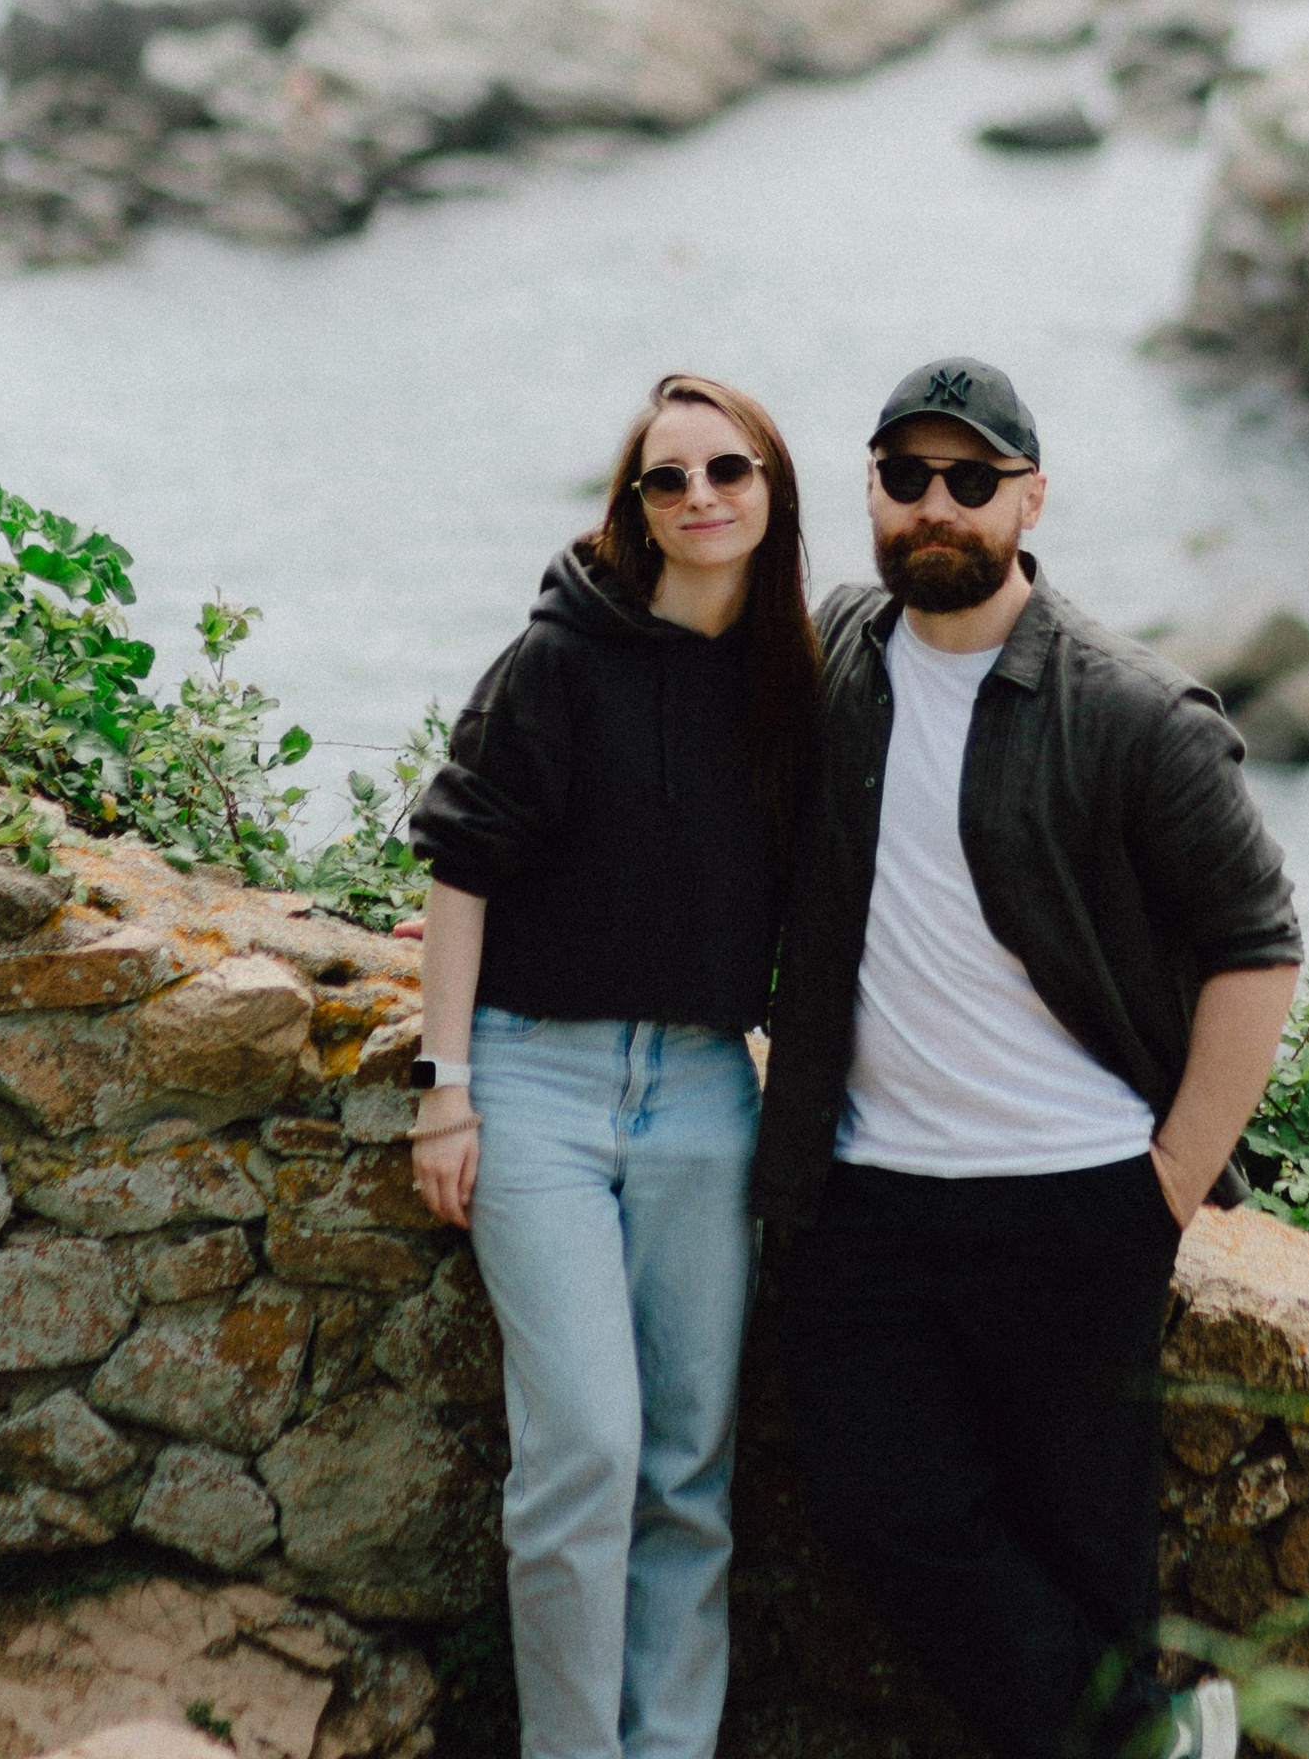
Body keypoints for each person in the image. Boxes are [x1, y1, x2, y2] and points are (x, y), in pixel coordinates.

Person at [752, 358, 1302, 1759]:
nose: (937, 505)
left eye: (972, 479)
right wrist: (511, 910)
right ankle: (1155, 1743)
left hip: (1074, 1202)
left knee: (1088, 1558)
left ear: (1031, 498)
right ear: (871, 487)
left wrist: (1167, 1186)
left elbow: (1258, 949)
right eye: (907, 476)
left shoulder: (1132, 712)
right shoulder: (836, 651)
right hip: (860, 1199)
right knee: (879, 1508)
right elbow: (684, 774)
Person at [399, 372, 819, 1759]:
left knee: (689, 1468)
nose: (702, 497)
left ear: (772, 488)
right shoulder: (561, 657)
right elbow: (463, 867)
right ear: (635, 507)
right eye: (668, 477)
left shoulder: (797, 683)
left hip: (705, 1094)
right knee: (585, 1448)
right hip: (536, 1085)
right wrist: (444, 1090)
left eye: (728, 470)